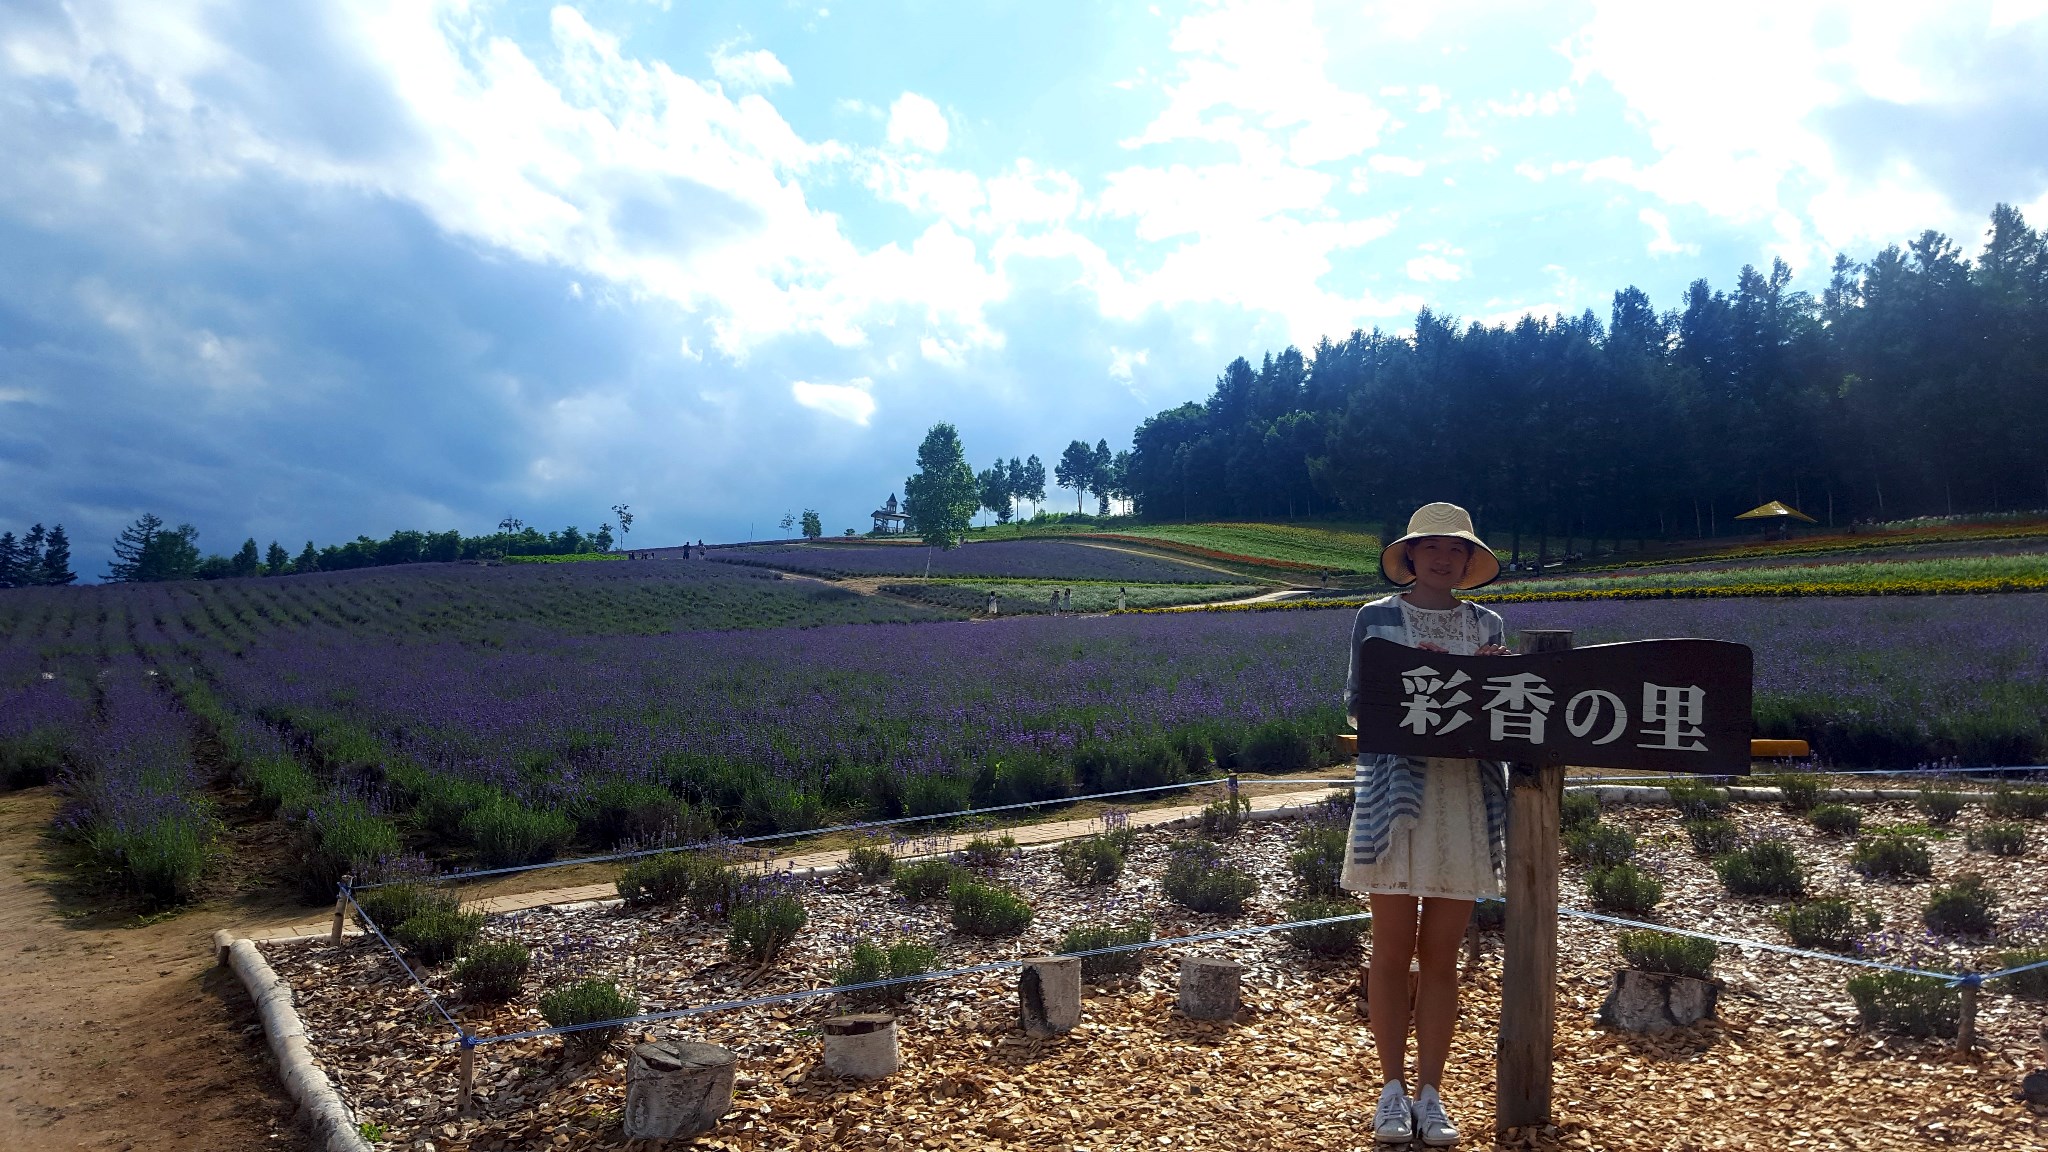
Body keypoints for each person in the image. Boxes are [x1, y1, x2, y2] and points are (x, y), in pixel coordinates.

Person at [1344, 502, 1510, 1147]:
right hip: (1396, 795)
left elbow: (1506, 707)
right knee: (1389, 950)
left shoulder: (1488, 623)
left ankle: (1432, 1091)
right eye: (1431, 546)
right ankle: (1389, 1090)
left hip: (1465, 797)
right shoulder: (1376, 618)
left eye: (1456, 549)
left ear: (1470, 562)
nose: (1443, 557)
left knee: (1443, 955)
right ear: (1409, 556)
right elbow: (1361, 704)